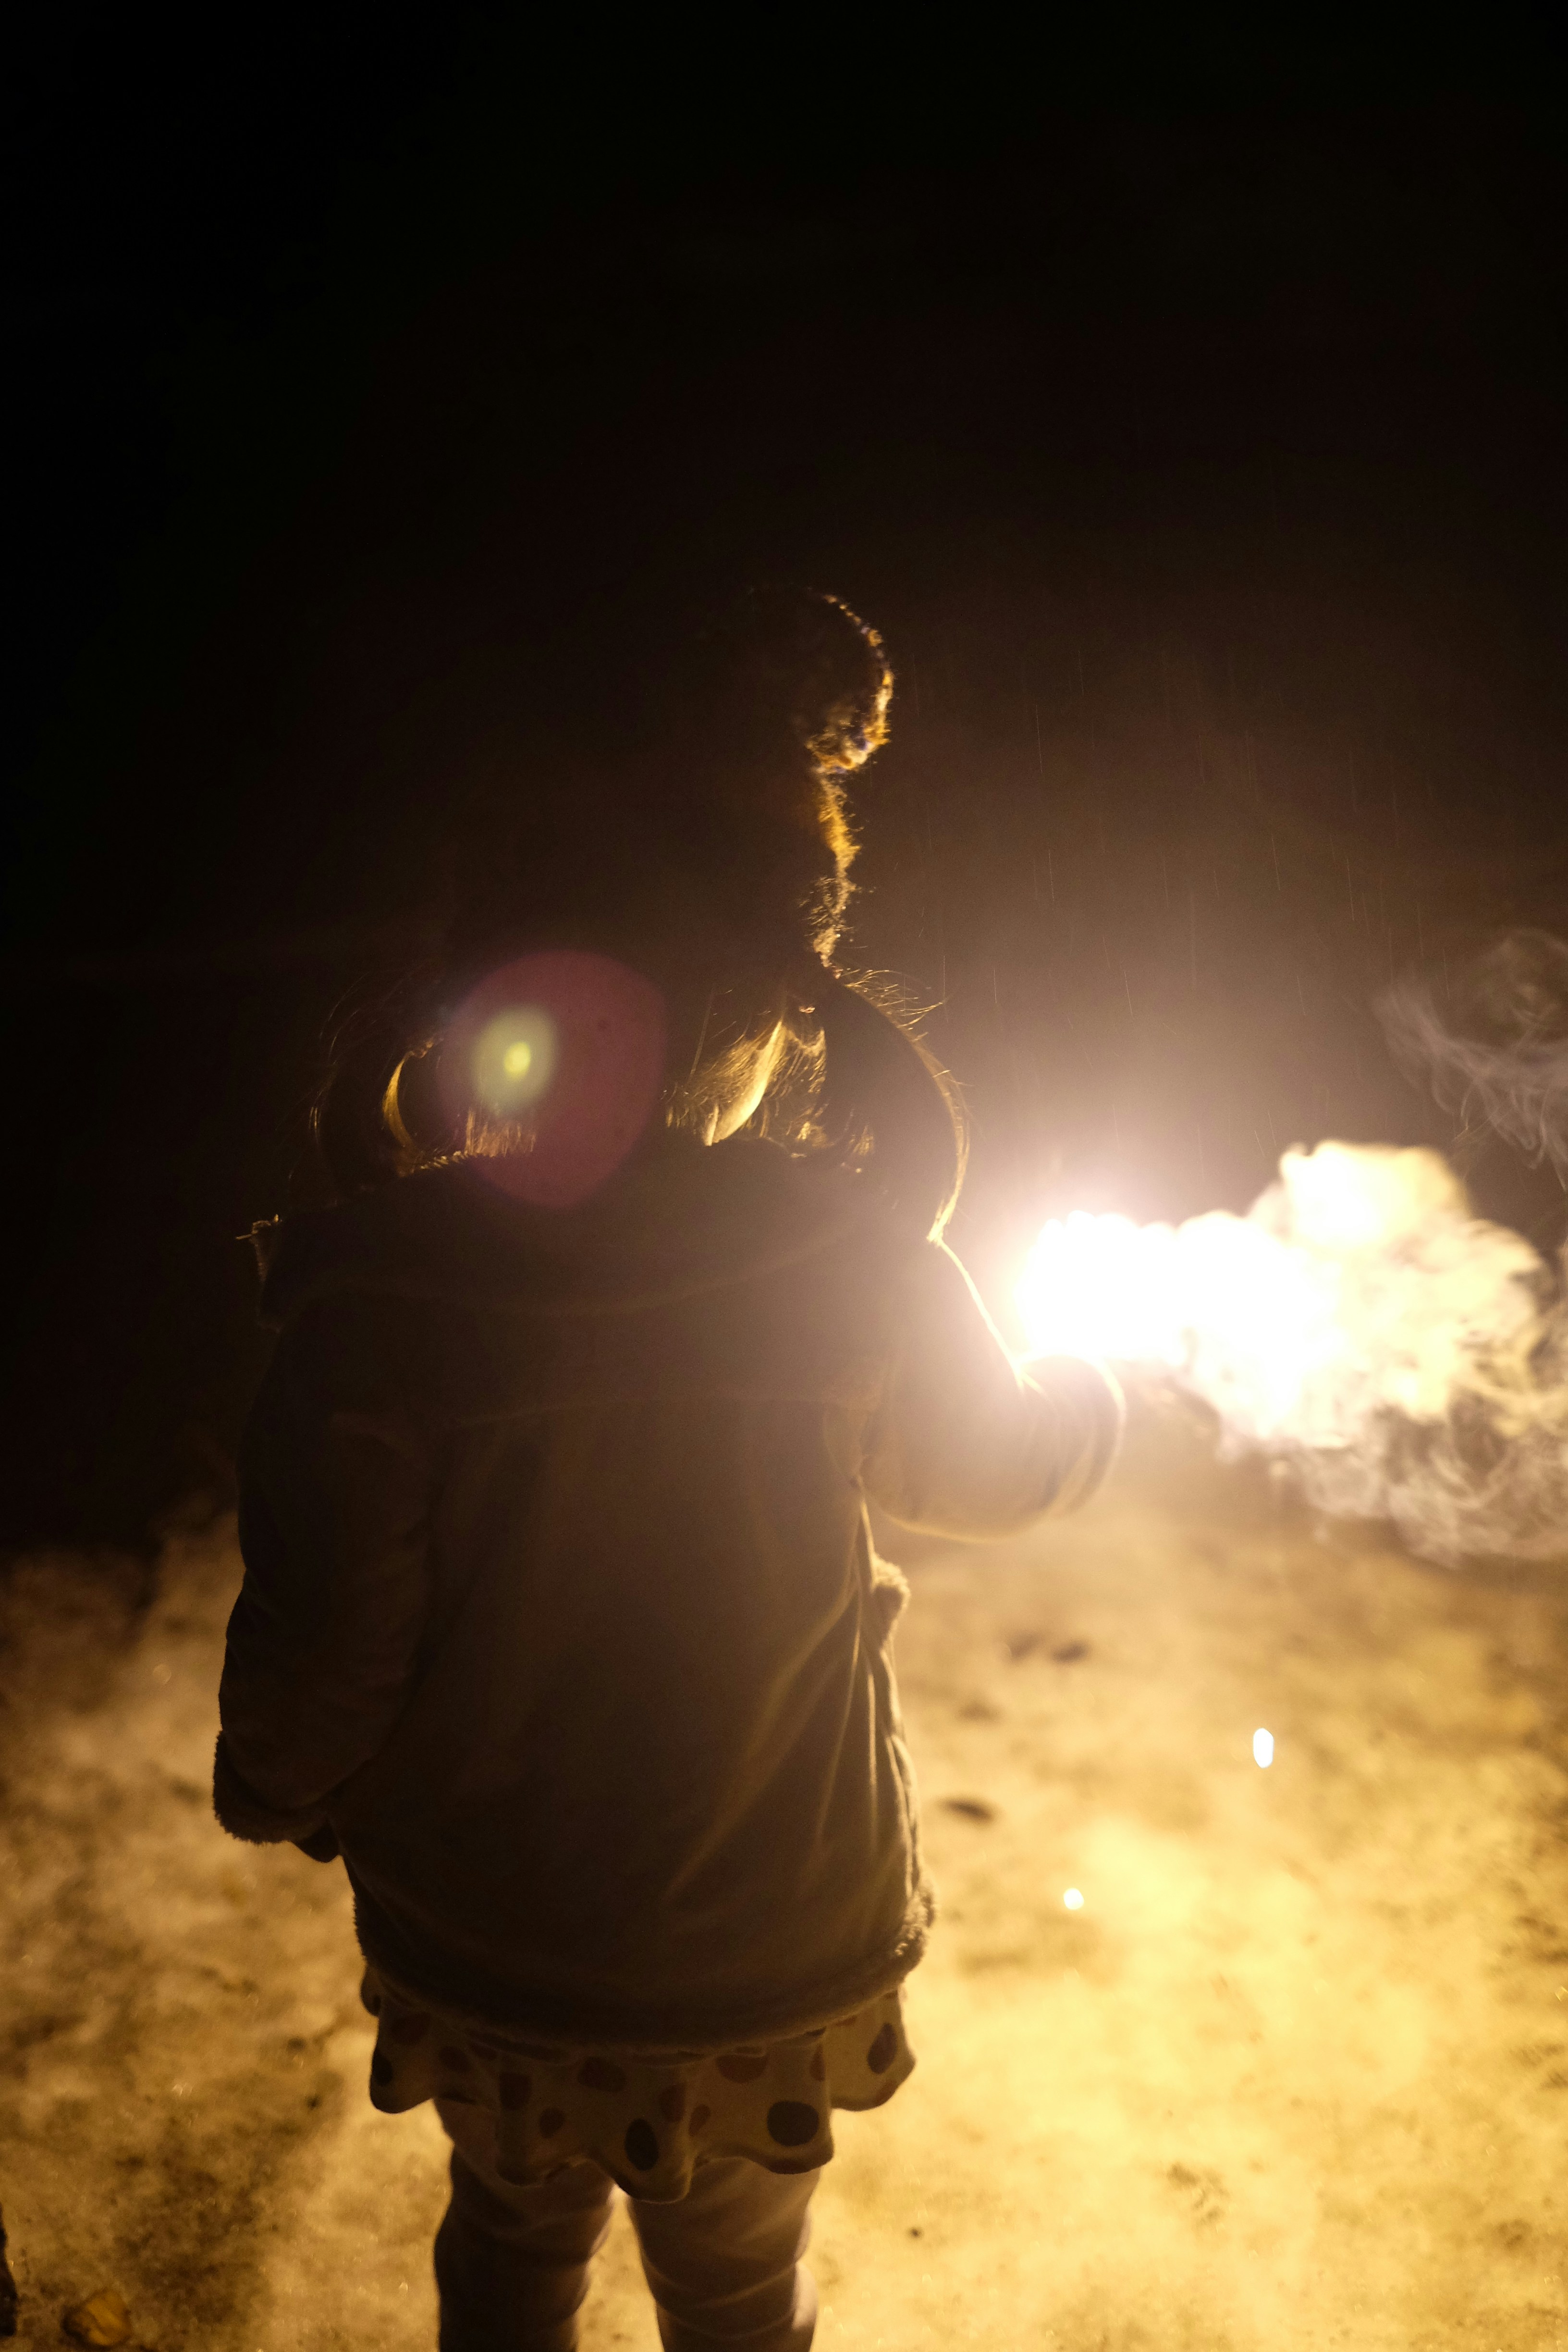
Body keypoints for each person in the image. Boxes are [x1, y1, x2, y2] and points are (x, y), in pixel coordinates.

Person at [213, 587, 1122, 2352]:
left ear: (486, 998)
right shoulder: (851, 1262)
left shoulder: (373, 1305)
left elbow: (331, 1636)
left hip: (494, 1953)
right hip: (767, 1952)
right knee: (740, 2289)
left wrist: (272, 1784)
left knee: (507, 2248)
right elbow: (995, 1470)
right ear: (773, 1004)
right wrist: (1086, 1403)